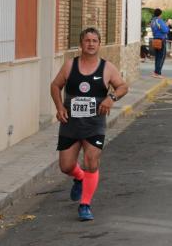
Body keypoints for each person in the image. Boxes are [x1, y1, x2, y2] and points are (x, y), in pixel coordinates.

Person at [50, 27, 129, 221]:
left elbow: (123, 86)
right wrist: (59, 107)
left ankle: (85, 204)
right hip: (71, 123)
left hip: (95, 124)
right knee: (66, 166)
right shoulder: (70, 65)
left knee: (91, 161)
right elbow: (55, 85)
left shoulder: (107, 67)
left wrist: (111, 98)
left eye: (94, 40)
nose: (91, 44)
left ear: (99, 44)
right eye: (87, 40)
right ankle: (78, 177)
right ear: (81, 44)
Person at [150, 8, 169, 78]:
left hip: (155, 40)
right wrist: (167, 25)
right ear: (160, 14)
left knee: (157, 57)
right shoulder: (159, 20)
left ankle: (156, 72)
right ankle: (157, 73)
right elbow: (165, 30)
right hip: (161, 40)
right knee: (161, 57)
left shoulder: (152, 21)